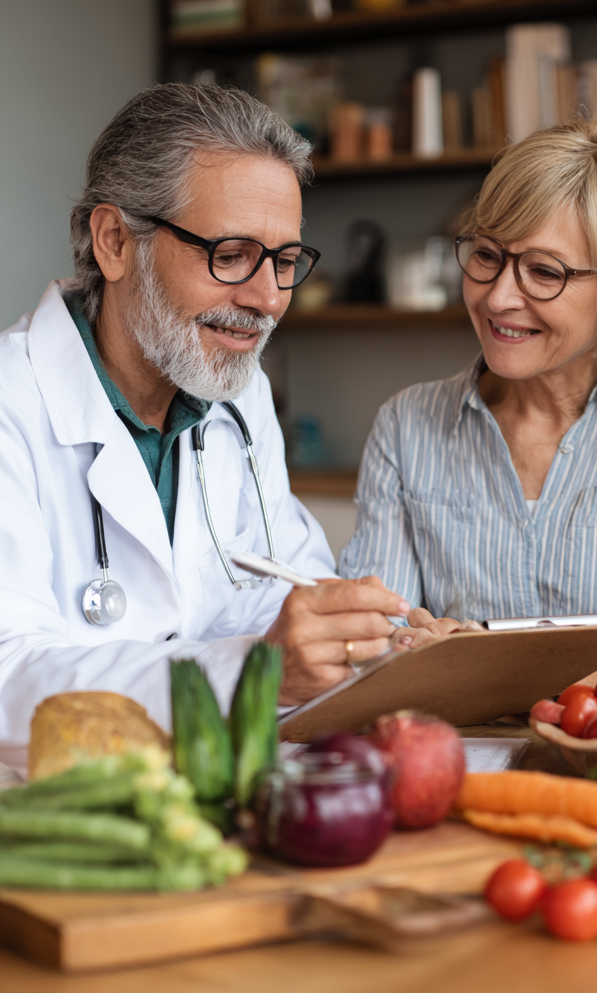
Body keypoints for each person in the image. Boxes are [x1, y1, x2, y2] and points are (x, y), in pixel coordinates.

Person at [0, 84, 409, 769]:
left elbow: (286, 586)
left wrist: (364, 632)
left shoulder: (237, 399)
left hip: (218, 782)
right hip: (55, 813)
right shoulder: (13, 404)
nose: (268, 299)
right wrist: (254, 669)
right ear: (114, 242)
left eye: (284, 261)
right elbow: (8, 680)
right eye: (230, 254)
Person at [339, 118, 597, 675]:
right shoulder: (407, 423)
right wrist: (406, 642)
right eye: (487, 255)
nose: (499, 297)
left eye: (543, 271)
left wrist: (538, 681)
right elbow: (372, 631)